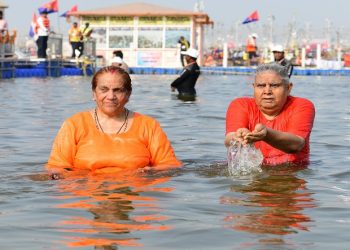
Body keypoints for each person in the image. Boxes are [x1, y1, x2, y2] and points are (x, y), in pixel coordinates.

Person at [46, 66, 182, 179]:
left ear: (128, 95)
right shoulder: (74, 125)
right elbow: (56, 169)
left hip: (137, 197)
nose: (110, 97)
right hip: (86, 196)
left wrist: (150, 173)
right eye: (104, 90)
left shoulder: (148, 125)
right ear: (94, 93)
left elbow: (170, 166)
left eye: (118, 90)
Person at [225, 62, 315, 166]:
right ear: (254, 87)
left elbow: (296, 144)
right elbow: (229, 138)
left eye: (274, 85)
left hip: (290, 173)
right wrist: (238, 136)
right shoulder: (240, 104)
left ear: (288, 88)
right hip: (251, 172)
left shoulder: (302, 105)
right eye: (261, 85)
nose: (267, 91)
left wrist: (266, 135)